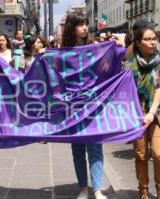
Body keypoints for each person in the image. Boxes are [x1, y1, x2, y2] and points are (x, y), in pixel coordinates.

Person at [61, 12, 107, 199]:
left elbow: (105, 68)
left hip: (92, 102)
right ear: (72, 27)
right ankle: (83, 187)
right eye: (80, 25)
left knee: (95, 145)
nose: (85, 28)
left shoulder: (95, 47)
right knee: (77, 148)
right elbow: (57, 72)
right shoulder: (63, 50)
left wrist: (110, 51)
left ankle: (97, 188)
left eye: (86, 24)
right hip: (72, 104)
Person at [125, 25, 160, 199]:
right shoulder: (129, 64)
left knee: (159, 154)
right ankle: (143, 191)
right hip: (137, 113)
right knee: (141, 155)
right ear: (138, 42)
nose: (152, 42)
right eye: (147, 39)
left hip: (158, 112)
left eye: (154, 38)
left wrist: (150, 113)